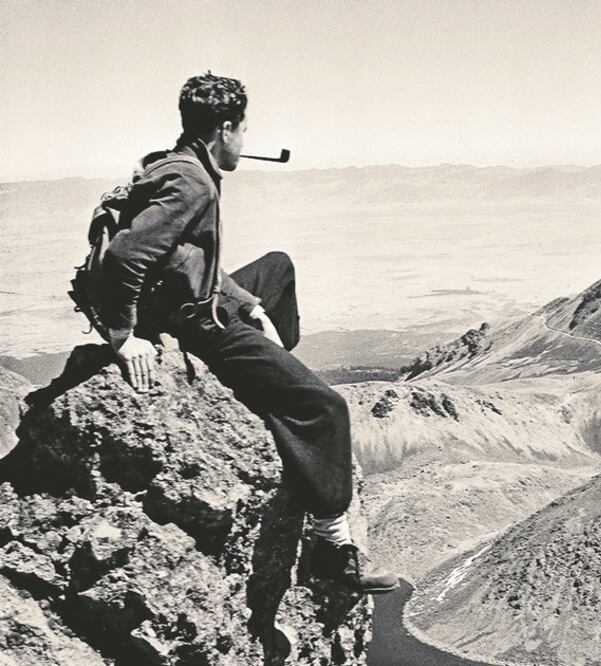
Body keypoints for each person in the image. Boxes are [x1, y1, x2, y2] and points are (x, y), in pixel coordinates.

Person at [99, 71, 398, 595]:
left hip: (202, 300)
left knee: (277, 269)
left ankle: (274, 372)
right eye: (243, 130)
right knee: (327, 408)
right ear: (226, 129)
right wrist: (124, 336)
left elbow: (192, 261)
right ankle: (333, 552)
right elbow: (127, 256)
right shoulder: (191, 182)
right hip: (195, 324)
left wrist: (249, 303)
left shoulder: (174, 164)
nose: (245, 142)